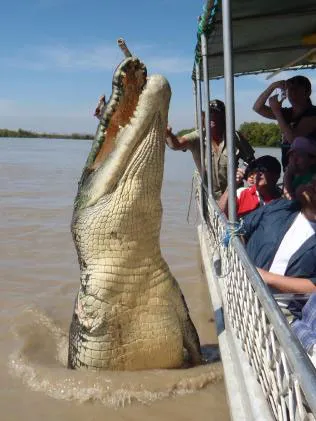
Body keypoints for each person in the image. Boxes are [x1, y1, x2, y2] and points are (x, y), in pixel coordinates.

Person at [166, 99, 255, 200]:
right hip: (209, 198)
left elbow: (251, 160)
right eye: (210, 113)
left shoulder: (235, 137)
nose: (213, 116)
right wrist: (168, 134)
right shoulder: (197, 136)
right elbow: (175, 145)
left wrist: (247, 174)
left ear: (224, 117)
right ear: (204, 117)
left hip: (234, 195)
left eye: (216, 113)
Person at [243, 178, 316, 294]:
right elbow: (241, 229)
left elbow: (313, 286)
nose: (313, 182)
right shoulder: (279, 207)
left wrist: (268, 278)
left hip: (279, 308)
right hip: (239, 291)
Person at [253, 75, 316, 169]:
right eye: (289, 89)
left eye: (296, 89)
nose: (291, 93)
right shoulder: (288, 113)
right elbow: (258, 108)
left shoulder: (313, 113)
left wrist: (277, 111)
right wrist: (272, 87)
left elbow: (293, 139)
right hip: (291, 171)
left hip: (308, 173)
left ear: (308, 93)